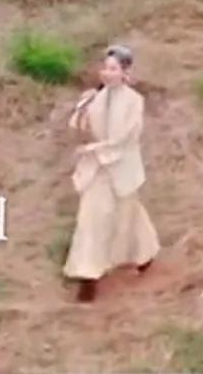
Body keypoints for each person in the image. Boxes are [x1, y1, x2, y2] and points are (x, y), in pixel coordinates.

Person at [63, 44, 159, 302]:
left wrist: (94, 149)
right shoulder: (95, 98)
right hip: (98, 169)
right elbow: (78, 128)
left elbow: (124, 139)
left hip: (121, 166)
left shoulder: (134, 102)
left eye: (113, 69)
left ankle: (143, 253)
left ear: (125, 71)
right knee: (91, 218)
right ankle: (88, 275)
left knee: (128, 214)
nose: (107, 73)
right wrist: (81, 109)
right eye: (105, 68)